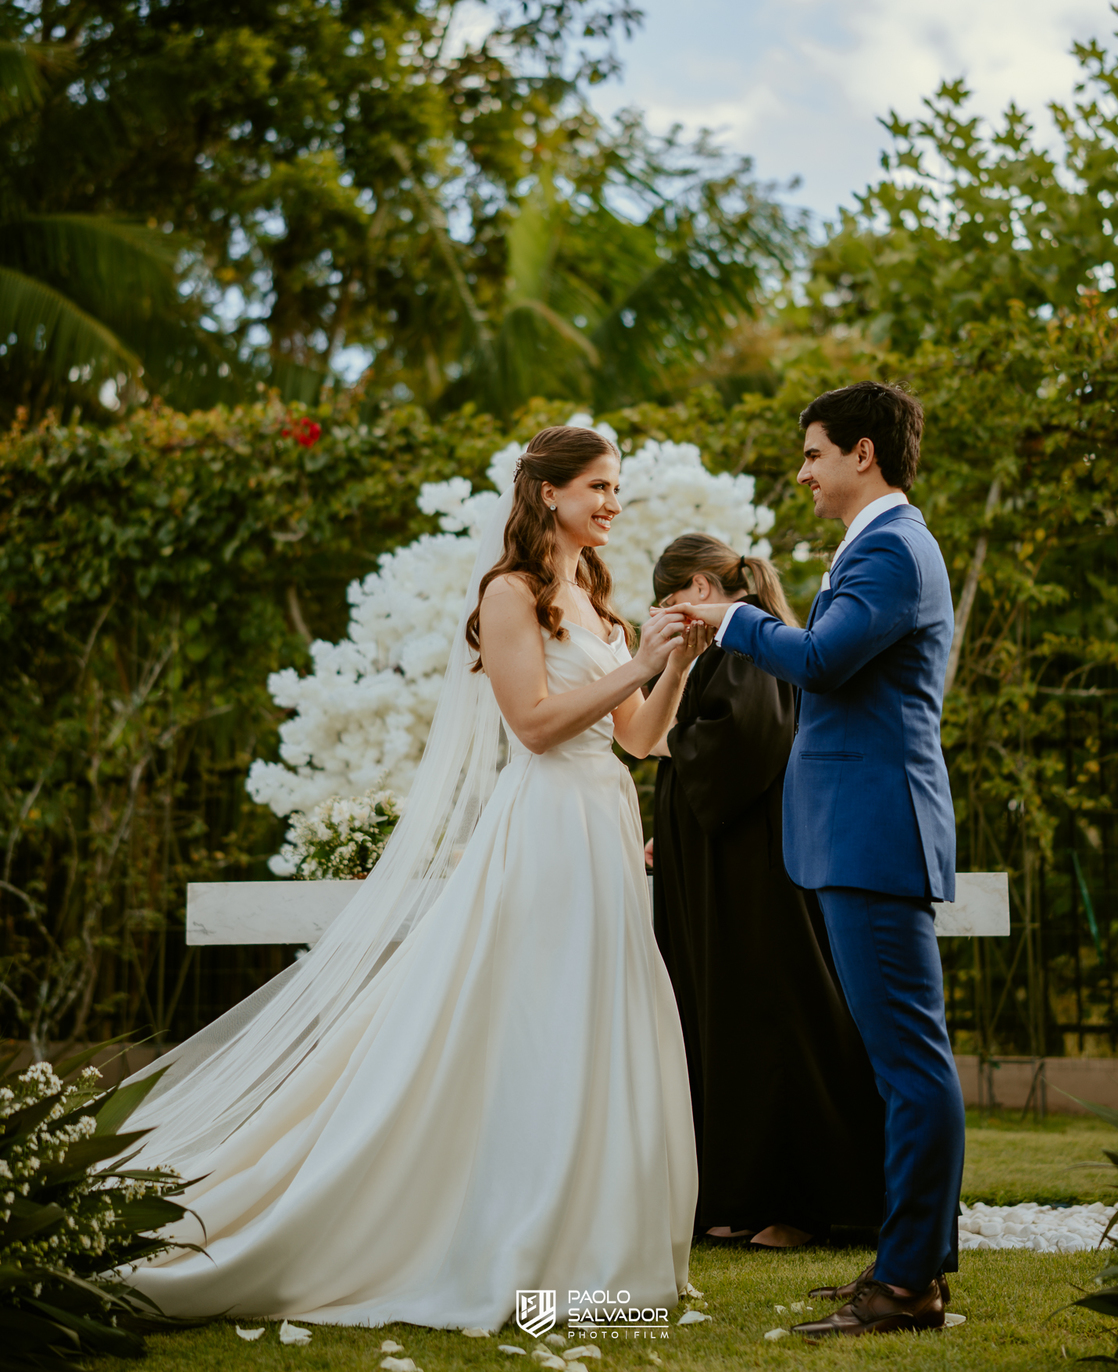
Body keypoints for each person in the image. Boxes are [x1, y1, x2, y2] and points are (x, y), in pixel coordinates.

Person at [123, 425, 703, 1331]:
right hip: (547, 829)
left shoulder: (601, 602)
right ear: (548, 494)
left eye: (617, 488)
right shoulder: (511, 595)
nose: (613, 505)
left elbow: (639, 739)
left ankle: (590, 1261)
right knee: (538, 1021)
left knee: (600, 1013)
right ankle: (500, 1235)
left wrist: (673, 667)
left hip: (607, 828)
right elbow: (537, 727)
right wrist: (636, 662)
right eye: (597, 487)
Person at [670, 381, 965, 1340]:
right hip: (858, 835)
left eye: (812, 455)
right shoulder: (879, 545)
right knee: (897, 1064)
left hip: (876, 835)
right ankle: (904, 1267)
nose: (802, 474)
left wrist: (733, 618)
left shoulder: (890, 547)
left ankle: (909, 1284)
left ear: (862, 455)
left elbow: (826, 661)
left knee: (909, 1065)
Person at [647, 534, 884, 1251]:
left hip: (758, 878)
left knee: (775, 1019)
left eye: (665, 602)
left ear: (694, 587)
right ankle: (743, 1198)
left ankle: (804, 1206)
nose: (663, 616)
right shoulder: (741, 643)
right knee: (734, 1025)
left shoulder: (749, 643)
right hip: (732, 870)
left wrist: (663, 743)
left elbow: (744, 742)